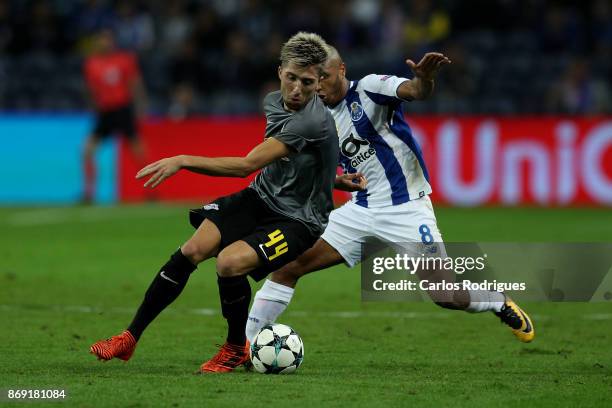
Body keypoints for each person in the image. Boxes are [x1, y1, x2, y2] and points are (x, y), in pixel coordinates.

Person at [90, 32, 361, 373]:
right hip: (260, 197)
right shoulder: (274, 102)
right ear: (280, 72)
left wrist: (183, 159)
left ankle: (235, 347)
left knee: (230, 263)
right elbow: (295, 160)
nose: (296, 89)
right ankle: (129, 337)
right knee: (192, 249)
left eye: (307, 83)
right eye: (291, 78)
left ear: (320, 81)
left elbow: (247, 165)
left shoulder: (312, 119)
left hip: (298, 221)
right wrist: (330, 179)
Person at [246, 47, 535, 344]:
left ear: (342, 70)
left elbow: (414, 90)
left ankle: (497, 301)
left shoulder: (371, 88)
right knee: (287, 266)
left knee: (447, 295)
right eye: (313, 80)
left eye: (325, 77)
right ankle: (247, 346)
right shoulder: (316, 117)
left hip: (406, 210)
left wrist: (424, 80)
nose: (317, 86)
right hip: (359, 211)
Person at [82, 28, 147, 203]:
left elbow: (134, 83)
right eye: (101, 40)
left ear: (113, 42)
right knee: (87, 151)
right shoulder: (91, 63)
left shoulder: (124, 60)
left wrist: (140, 106)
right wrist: (94, 107)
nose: (104, 43)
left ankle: (151, 191)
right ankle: (89, 193)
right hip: (105, 112)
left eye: (107, 40)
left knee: (138, 151)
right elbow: (91, 89)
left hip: (123, 109)